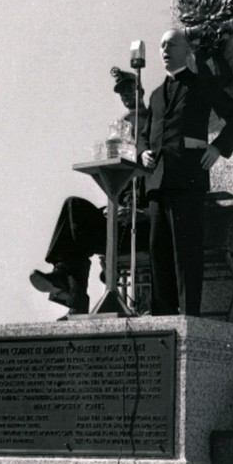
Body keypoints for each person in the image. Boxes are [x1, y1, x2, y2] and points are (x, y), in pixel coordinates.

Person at [138, 29, 233, 316]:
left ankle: (188, 316)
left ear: (186, 50)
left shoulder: (201, 85)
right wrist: (142, 152)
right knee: (158, 253)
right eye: (161, 45)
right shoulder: (155, 96)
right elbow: (144, 134)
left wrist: (218, 148)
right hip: (157, 182)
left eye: (171, 44)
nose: (164, 49)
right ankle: (162, 315)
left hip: (187, 179)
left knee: (186, 253)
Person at [29, 69, 149, 316]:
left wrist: (140, 208)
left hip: (143, 227)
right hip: (119, 221)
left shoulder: (154, 127)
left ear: (141, 92)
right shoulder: (122, 132)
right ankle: (66, 283)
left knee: (78, 232)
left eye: (130, 89)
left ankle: (73, 299)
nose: (126, 95)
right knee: (73, 209)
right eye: (122, 92)